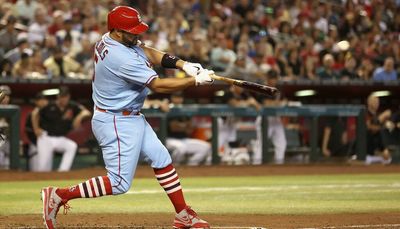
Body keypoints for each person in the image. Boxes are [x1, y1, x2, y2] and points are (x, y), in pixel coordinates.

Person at [40, 6, 213, 229]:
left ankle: (182, 214)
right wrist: (194, 81)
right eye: (132, 31)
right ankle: (58, 195)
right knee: (119, 183)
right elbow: (158, 85)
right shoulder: (120, 57)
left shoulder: (112, 38)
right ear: (118, 31)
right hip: (115, 120)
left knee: (162, 159)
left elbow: (147, 51)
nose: (137, 35)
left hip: (130, 116)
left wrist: (183, 64)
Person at [32, 86, 91, 172]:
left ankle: (62, 171)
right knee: (43, 168)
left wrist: (79, 117)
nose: (63, 99)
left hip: (60, 138)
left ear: (68, 97)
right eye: (61, 97)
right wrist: (36, 128)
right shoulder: (49, 105)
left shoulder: (72, 106)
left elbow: (86, 112)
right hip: (46, 138)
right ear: (58, 97)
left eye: (65, 97)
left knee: (71, 146)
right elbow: (35, 113)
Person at [166, 92, 211, 166]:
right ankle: (173, 166)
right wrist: (184, 126)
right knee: (181, 148)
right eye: (176, 97)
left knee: (206, 147)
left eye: (180, 97)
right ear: (172, 98)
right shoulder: (168, 108)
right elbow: (174, 128)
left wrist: (181, 126)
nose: (178, 99)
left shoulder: (184, 109)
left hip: (183, 139)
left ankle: (191, 166)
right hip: (169, 139)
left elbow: (189, 130)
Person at [25, 92, 49, 171]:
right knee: (35, 169)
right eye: (40, 100)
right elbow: (28, 130)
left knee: (47, 168)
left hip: (47, 144)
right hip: (35, 145)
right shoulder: (32, 113)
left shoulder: (48, 113)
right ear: (36, 102)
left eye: (44, 99)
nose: (42, 101)